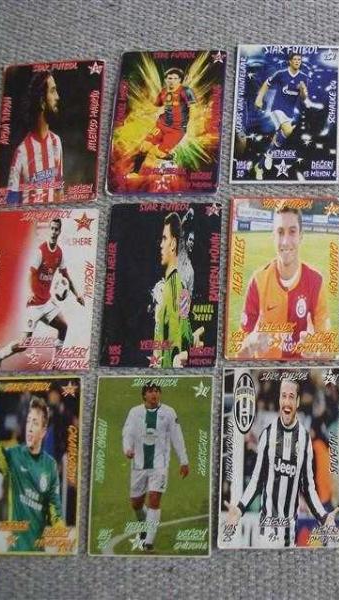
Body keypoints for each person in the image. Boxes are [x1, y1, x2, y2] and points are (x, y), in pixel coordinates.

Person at [223, 378, 338, 548]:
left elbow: (308, 488)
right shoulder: (267, 435)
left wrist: (323, 516)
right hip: (266, 533)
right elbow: (256, 480)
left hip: (290, 535)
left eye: (291, 396)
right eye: (284, 396)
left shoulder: (304, 439)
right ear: (279, 400)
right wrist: (239, 509)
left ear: (297, 402)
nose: (287, 401)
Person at [0, 381, 64, 551]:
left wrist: (61, 533)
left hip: (39, 550)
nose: (30, 428)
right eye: (28, 422)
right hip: (16, 549)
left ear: (44, 432)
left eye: (35, 423)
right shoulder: (14, 455)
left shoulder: (50, 465)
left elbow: (54, 507)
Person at [0, 218, 84, 370]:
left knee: (63, 327)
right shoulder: (41, 251)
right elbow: (30, 273)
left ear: (59, 231)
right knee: (23, 345)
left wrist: (77, 295)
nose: (53, 232)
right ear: (49, 230)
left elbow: (66, 276)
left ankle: (55, 364)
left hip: (47, 302)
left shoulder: (59, 253)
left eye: (56, 229)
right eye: (52, 228)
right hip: (34, 305)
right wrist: (30, 292)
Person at [239, 206, 329, 359]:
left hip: (301, 371)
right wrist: (250, 344)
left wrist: (316, 351)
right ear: (273, 237)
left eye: (292, 232)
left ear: (301, 236)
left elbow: (329, 351)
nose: (285, 242)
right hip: (265, 370)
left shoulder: (316, 282)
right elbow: (238, 352)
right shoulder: (258, 281)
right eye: (280, 232)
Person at [122, 382, 190, 552]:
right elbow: (127, 433)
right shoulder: (135, 412)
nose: (154, 394)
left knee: (154, 499)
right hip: (138, 465)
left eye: (157, 391)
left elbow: (177, 437)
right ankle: (145, 526)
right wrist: (127, 449)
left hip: (160, 465)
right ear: (144, 395)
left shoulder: (169, 413)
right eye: (151, 391)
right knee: (136, 504)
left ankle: (149, 542)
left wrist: (184, 461)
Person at [6, 70, 64, 204]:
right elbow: (11, 202)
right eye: (53, 91)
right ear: (42, 101)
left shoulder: (56, 142)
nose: (57, 97)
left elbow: (59, 189)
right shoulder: (22, 151)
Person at [252, 52, 312, 180]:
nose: (297, 61)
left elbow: (303, 98)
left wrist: (302, 90)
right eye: (295, 59)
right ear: (290, 61)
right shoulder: (281, 74)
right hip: (277, 109)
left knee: (280, 137)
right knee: (288, 130)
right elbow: (267, 83)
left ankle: (260, 165)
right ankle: (268, 156)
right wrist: (259, 98)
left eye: (299, 59)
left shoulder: (303, 77)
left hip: (289, 113)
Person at [132, 67, 196, 173]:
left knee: (159, 153)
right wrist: (143, 112)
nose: (172, 81)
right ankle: (134, 172)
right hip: (161, 125)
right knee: (144, 147)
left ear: (180, 80)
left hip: (176, 129)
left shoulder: (186, 91)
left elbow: (193, 108)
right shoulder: (163, 92)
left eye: (175, 78)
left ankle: (171, 156)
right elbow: (155, 106)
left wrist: (191, 125)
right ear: (166, 79)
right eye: (169, 78)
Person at [151, 212, 194, 368]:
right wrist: (186, 217)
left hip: (179, 304)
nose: (160, 245)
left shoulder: (190, 272)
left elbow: (188, 297)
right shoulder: (180, 254)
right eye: (190, 239)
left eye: (164, 239)